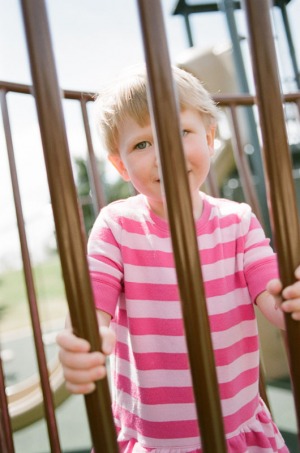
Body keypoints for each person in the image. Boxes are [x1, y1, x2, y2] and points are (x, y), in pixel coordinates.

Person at [57, 65, 300, 453]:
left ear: (208, 138)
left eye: (181, 133)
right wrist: (83, 335)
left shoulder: (238, 221)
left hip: (239, 426)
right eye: (142, 144)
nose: (165, 153)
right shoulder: (117, 226)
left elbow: (271, 294)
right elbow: (91, 301)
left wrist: (291, 300)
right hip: (156, 437)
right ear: (120, 165)